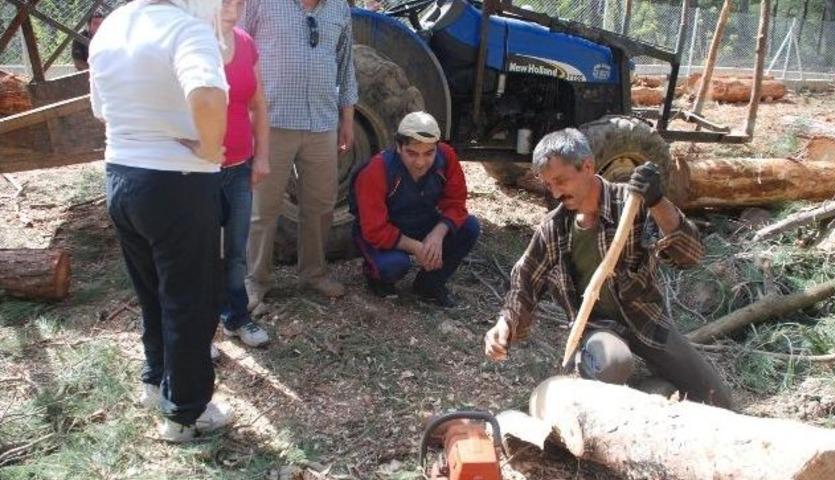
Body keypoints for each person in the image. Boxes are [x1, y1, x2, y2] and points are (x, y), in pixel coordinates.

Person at [483, 128, 733, 410]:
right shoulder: (554, 228)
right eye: (548, 184)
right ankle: (621, 395)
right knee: (613, 362)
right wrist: (505, 324)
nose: (555, 192)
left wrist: (657, 201)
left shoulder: (632, 203)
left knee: (718, 399)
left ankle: (653, 390)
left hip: (647, 321)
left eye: (561, 180)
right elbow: (525, 282)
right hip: (596, 331)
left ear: (587, 166)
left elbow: (690, 254)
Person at [89, 0, 232, 442]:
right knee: (191, 299)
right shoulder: (185, 30)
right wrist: (210, 148)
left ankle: (156, 380)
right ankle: (186, 413)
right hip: (177, 183)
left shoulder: (112, 26)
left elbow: (99, 110)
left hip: (121, 176)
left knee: (151, 290)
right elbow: (207, 92)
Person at [242, 0, 358, 305]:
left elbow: (346, 66)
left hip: (321, 123)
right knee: (263, 209)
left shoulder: (338, 9)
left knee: (320, 205)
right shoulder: (261, 4)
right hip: (272, 123)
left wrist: (346, 118)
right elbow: (239, 52)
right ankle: (255, 281)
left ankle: (314, 274)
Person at [349, 112, 479, 307]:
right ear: (399, 147)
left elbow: (456, 203)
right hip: (381, 230)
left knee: (469, 227)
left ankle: (429, 284)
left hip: (421, 220)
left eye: (429, 153)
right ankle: (374, 275)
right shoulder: (377, 170)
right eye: (412, 153)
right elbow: (374, 228)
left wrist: (438, 233)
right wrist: (416, 248)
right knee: (394, 266)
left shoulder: (446, 157)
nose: (420, 162)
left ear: (437, 147)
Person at [217, 0, 270, 347]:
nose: (230, 6)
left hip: (240, 168)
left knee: (235, 250)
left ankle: (235, 317)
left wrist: (262, 155)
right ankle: (200, 329)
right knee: (202, 251)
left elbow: (258, 104)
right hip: (198, 172)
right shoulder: (190, 42)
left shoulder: (246, 43)